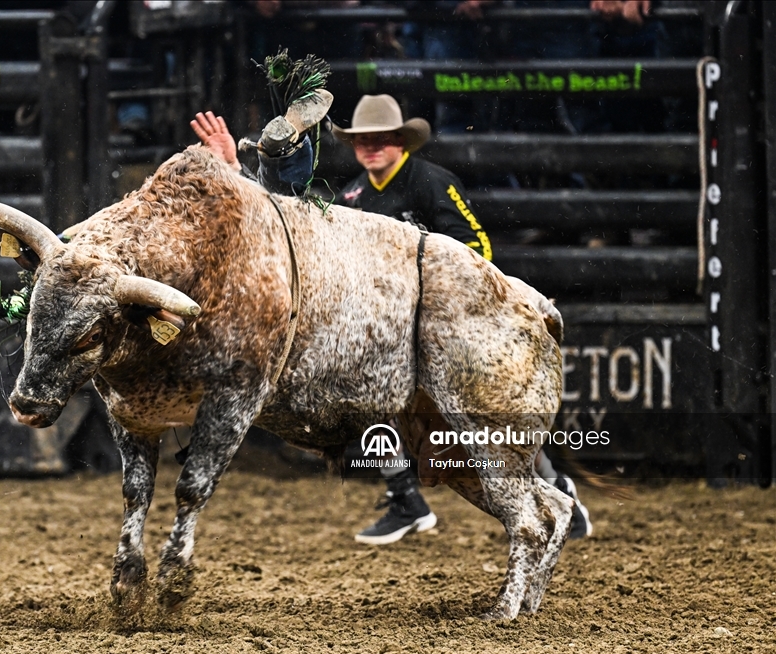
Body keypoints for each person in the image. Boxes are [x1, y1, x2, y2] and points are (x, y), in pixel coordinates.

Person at [191, 93, 591, 543]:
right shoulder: (354, 196)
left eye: (382, 138)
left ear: (401, 141)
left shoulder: (431, 182)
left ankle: (553, 489)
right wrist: (234, 172)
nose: (372, 145)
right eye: (364, 139)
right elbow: (304, 231)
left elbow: (476, 249)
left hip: (446, 321)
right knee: (362, 399)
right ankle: (406, 496)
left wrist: (456, 305)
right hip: (389, 328)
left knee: (483, 416)